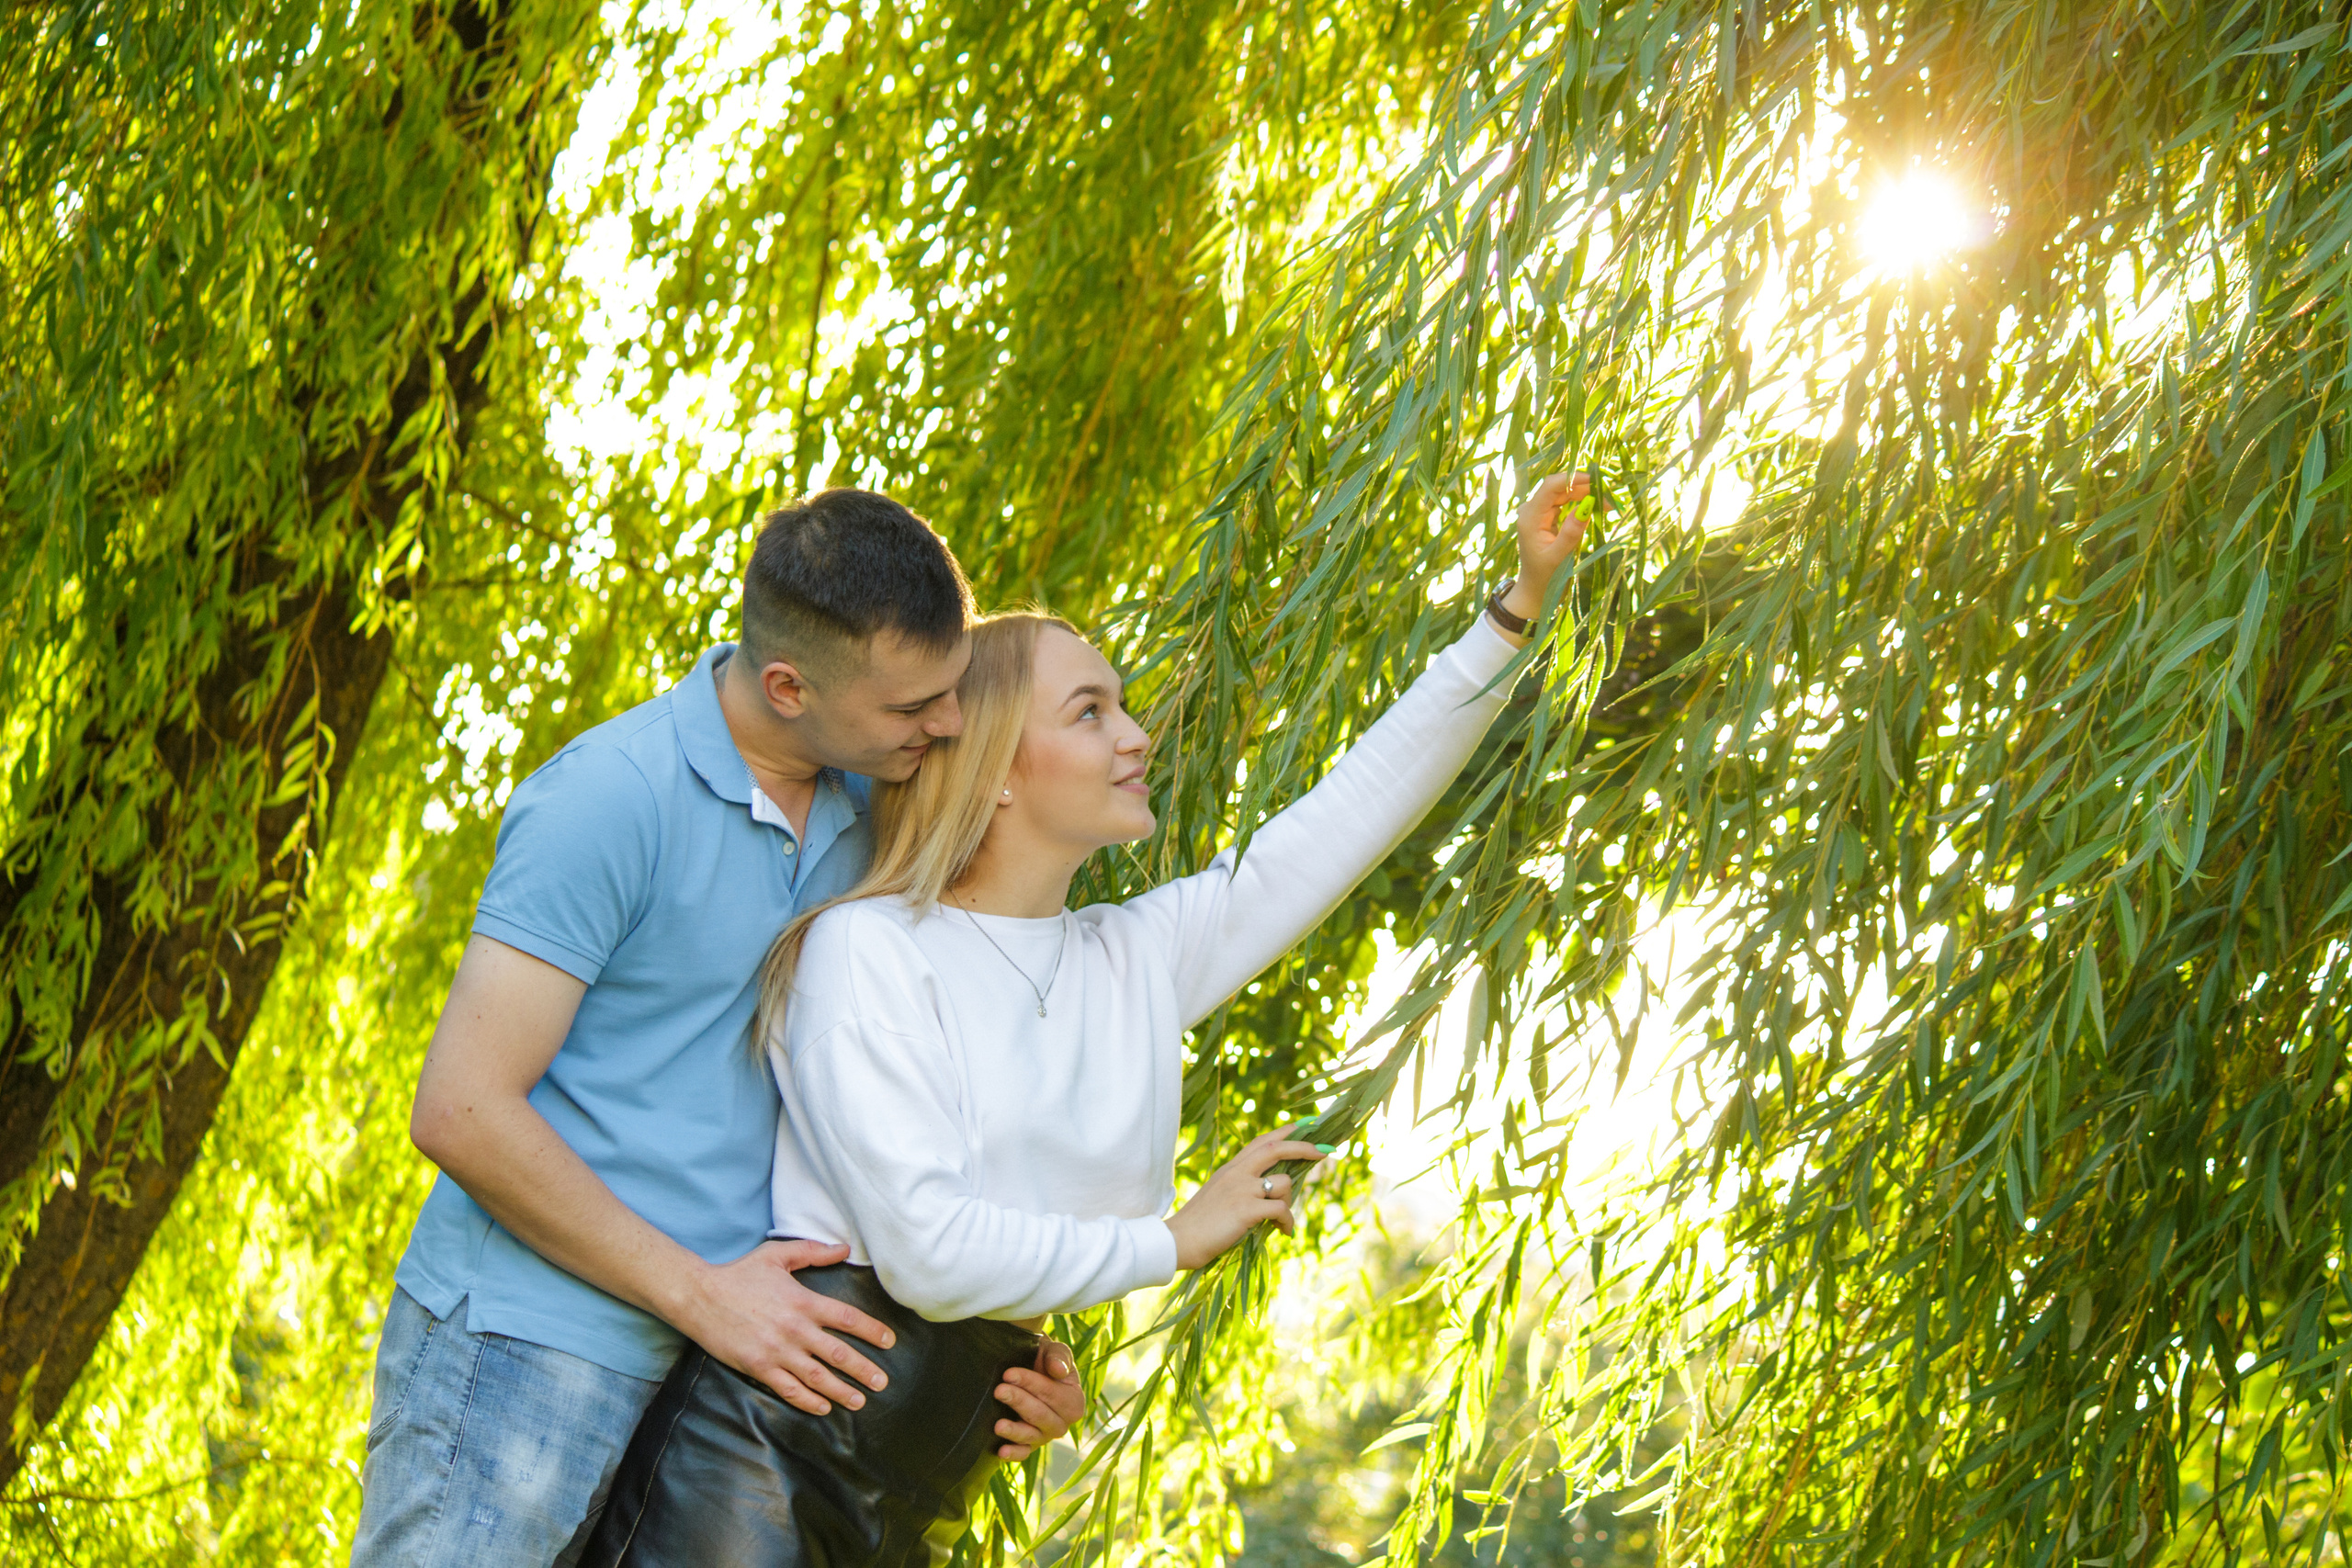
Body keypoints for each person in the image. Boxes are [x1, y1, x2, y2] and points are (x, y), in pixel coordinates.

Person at [582, 472, 1594, 1565]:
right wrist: (1168, 1241)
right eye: (1090, 712)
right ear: (999, 770)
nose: (1137, 736)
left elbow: (1346, 817)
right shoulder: (865, 952)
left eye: (1121, 706)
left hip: (927, 1478)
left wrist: (1516, 610)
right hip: (756, 1474)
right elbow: (925, 1252)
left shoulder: (1134, 959)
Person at [353, 489, 1088, 1566]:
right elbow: (461, 1110)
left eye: (950, 692)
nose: (944, 726)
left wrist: (999, 1352)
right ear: (788, 687)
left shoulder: (878, 809)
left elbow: (924, 1097)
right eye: (912, 706)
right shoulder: (609, 800)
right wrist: (703, 1297)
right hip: (526, 1349)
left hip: (728, 1369)